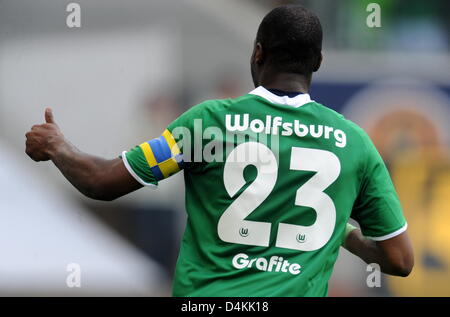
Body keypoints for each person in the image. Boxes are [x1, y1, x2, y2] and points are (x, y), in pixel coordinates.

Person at [25, 5, 413, 296]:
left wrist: (58, 146)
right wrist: (345, 235)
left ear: (258, 53)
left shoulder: (207, 123)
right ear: (318, 62)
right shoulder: (354, 143)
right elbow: (399, 260)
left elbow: (102, 182)